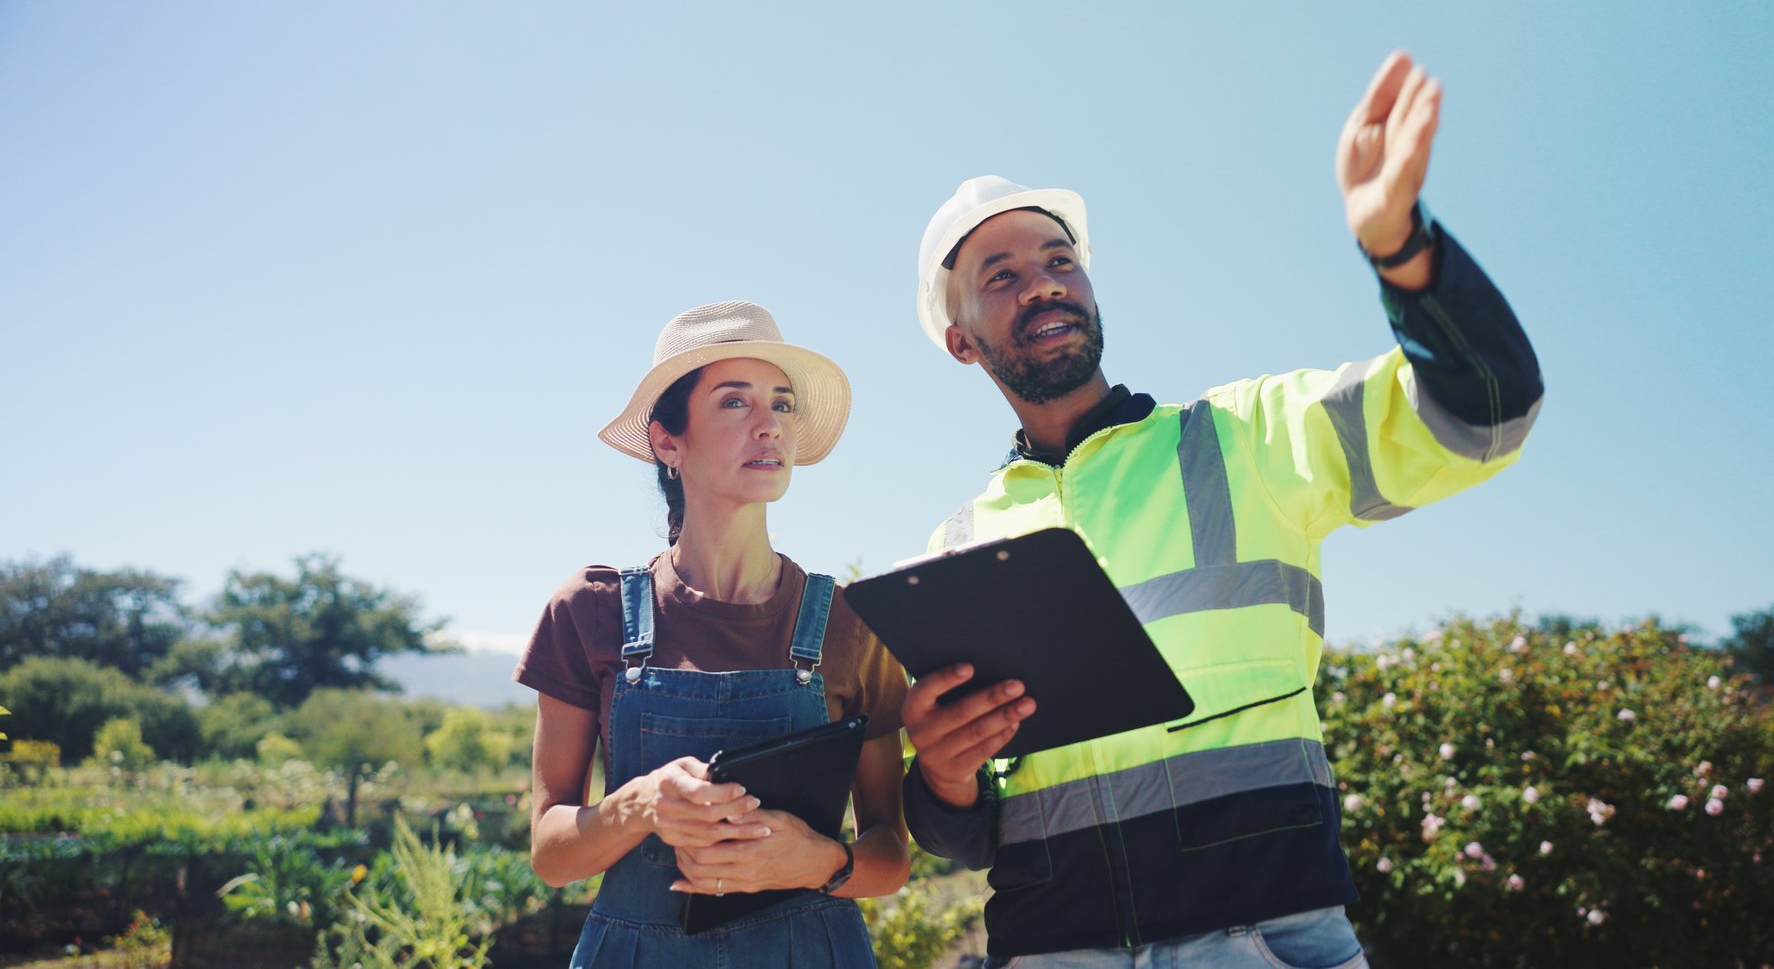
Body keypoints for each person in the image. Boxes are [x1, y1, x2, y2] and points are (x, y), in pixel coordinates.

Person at [898, 52, 1544, 967]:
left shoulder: (1247, 437)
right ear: (961, 341)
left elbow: (1486, 410)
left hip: (1265, 939)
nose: (1042, 282)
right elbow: (963, 834)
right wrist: (943, 775)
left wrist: (1401, 249)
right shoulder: (957, 547)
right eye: (1000, 276)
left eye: (1059, 260)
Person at [515, 301, 910, 967]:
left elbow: (890, 856)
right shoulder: (590, 611)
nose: (770, 425)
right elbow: (552, 856)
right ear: (668, 443)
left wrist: (819, 861)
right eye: (734, 402)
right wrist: (638, 806)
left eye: (782, 404)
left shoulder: (850, 625)